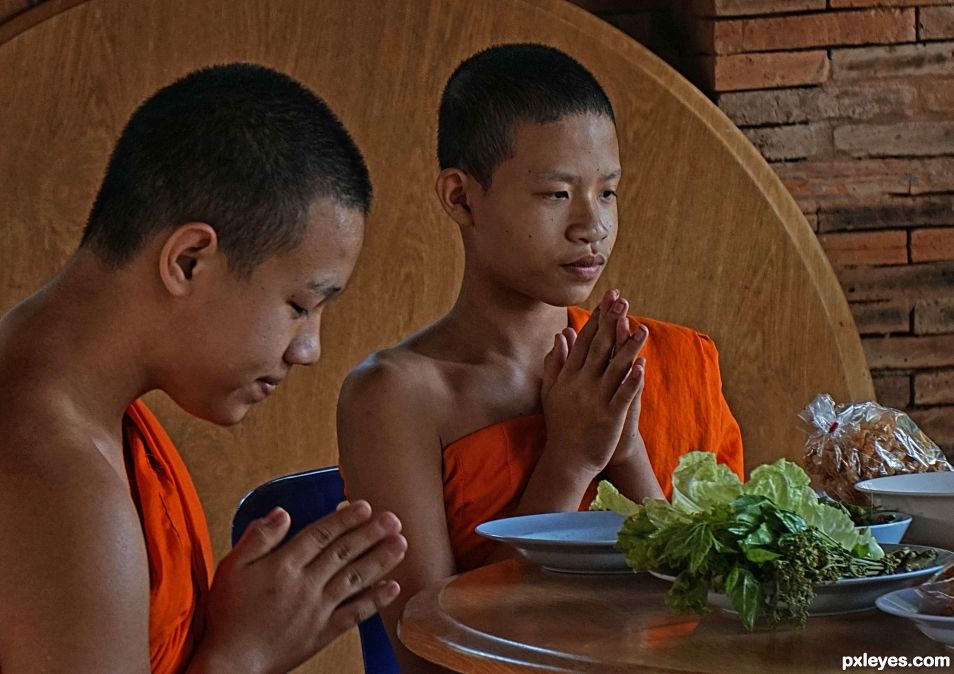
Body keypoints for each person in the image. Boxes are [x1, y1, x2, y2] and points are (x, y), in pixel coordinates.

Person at [337, 43, 744, 671]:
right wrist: (570, 462)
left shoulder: (674, 361)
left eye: (608, 192)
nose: (593, 225)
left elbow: (730, 611)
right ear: (461, 198)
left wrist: (627, 453)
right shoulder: (399, 397)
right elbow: (428, 661)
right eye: (557, 194)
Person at [0, 63, 407, 673]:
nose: (309, 349)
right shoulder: (55, 473)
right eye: (299, 305)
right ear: (189, 260)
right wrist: (244, 654)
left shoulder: (64, 397)